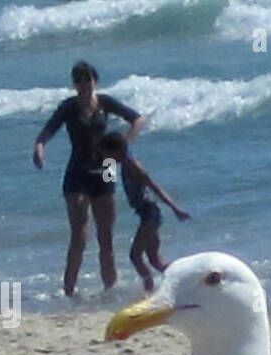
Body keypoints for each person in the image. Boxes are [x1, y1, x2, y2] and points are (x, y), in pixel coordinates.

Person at [32, 61, 144, 297]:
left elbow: (137, 119)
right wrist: (40, 148)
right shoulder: (69, 107)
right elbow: (47, 131)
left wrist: (124, 145)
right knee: (79, 236)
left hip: (107, 167)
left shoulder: (105, 103)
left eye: (87, 79)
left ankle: (110, 290)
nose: (83, 85)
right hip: (78, 172)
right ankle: (69, 291)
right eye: (78, 81)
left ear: (95, 81)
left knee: (107, 237)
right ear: (74, 84)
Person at [98, 132, 191, 292]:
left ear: (117, 152)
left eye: (106, 153)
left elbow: (155, 187)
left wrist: (175, 208)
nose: (104, 156)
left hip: (150, 214)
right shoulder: (122, 161)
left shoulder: (134, 166)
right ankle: (185, 278)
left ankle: (149, 288)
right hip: (146, 214)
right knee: (155, 261)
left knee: (135, 256)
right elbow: (108, 180)